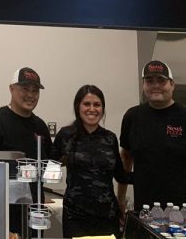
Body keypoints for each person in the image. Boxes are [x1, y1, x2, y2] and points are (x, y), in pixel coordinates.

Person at [119, 60, 186, 220]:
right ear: (143, 85)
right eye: (150, 81)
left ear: (172, 84)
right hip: (145, 213)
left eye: (161, 81)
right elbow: (126, 159)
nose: (155, 85)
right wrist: (121, 199)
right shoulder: (133, 117)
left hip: (184, 217)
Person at [0, 67, 53, 234]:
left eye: (35, 90)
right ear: (11, 89)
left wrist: (40, 196)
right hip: (1, 215)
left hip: (33, 217)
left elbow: (42, 165)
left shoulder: (40, 127)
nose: (31, 95)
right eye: (25, 89)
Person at [52, 84, 132, 238]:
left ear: (103, 108)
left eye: (97, 104)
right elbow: (49, 166)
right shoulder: (65, 135)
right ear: (78, 107)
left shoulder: (110, 138)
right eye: (86, 104)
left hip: (107, 216)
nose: (92, 109)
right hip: (75, 217)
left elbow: (120, 175)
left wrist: (148, 174)